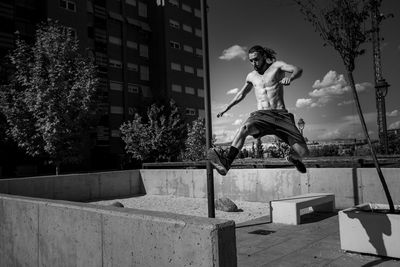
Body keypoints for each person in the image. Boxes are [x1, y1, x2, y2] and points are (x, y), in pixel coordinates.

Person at [208, 45, 309, 175]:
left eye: (256, 59)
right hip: (261, 115)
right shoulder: (251, 76)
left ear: (264, 57)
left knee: (304, 152)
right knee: (244, 128)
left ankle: (294, 158)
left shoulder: (277, 66)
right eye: (251, 60)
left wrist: (291, 77)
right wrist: (227, 108)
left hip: (280, 115)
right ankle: (227, 162)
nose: (253, 63)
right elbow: (241, 94)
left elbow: (297, 69)